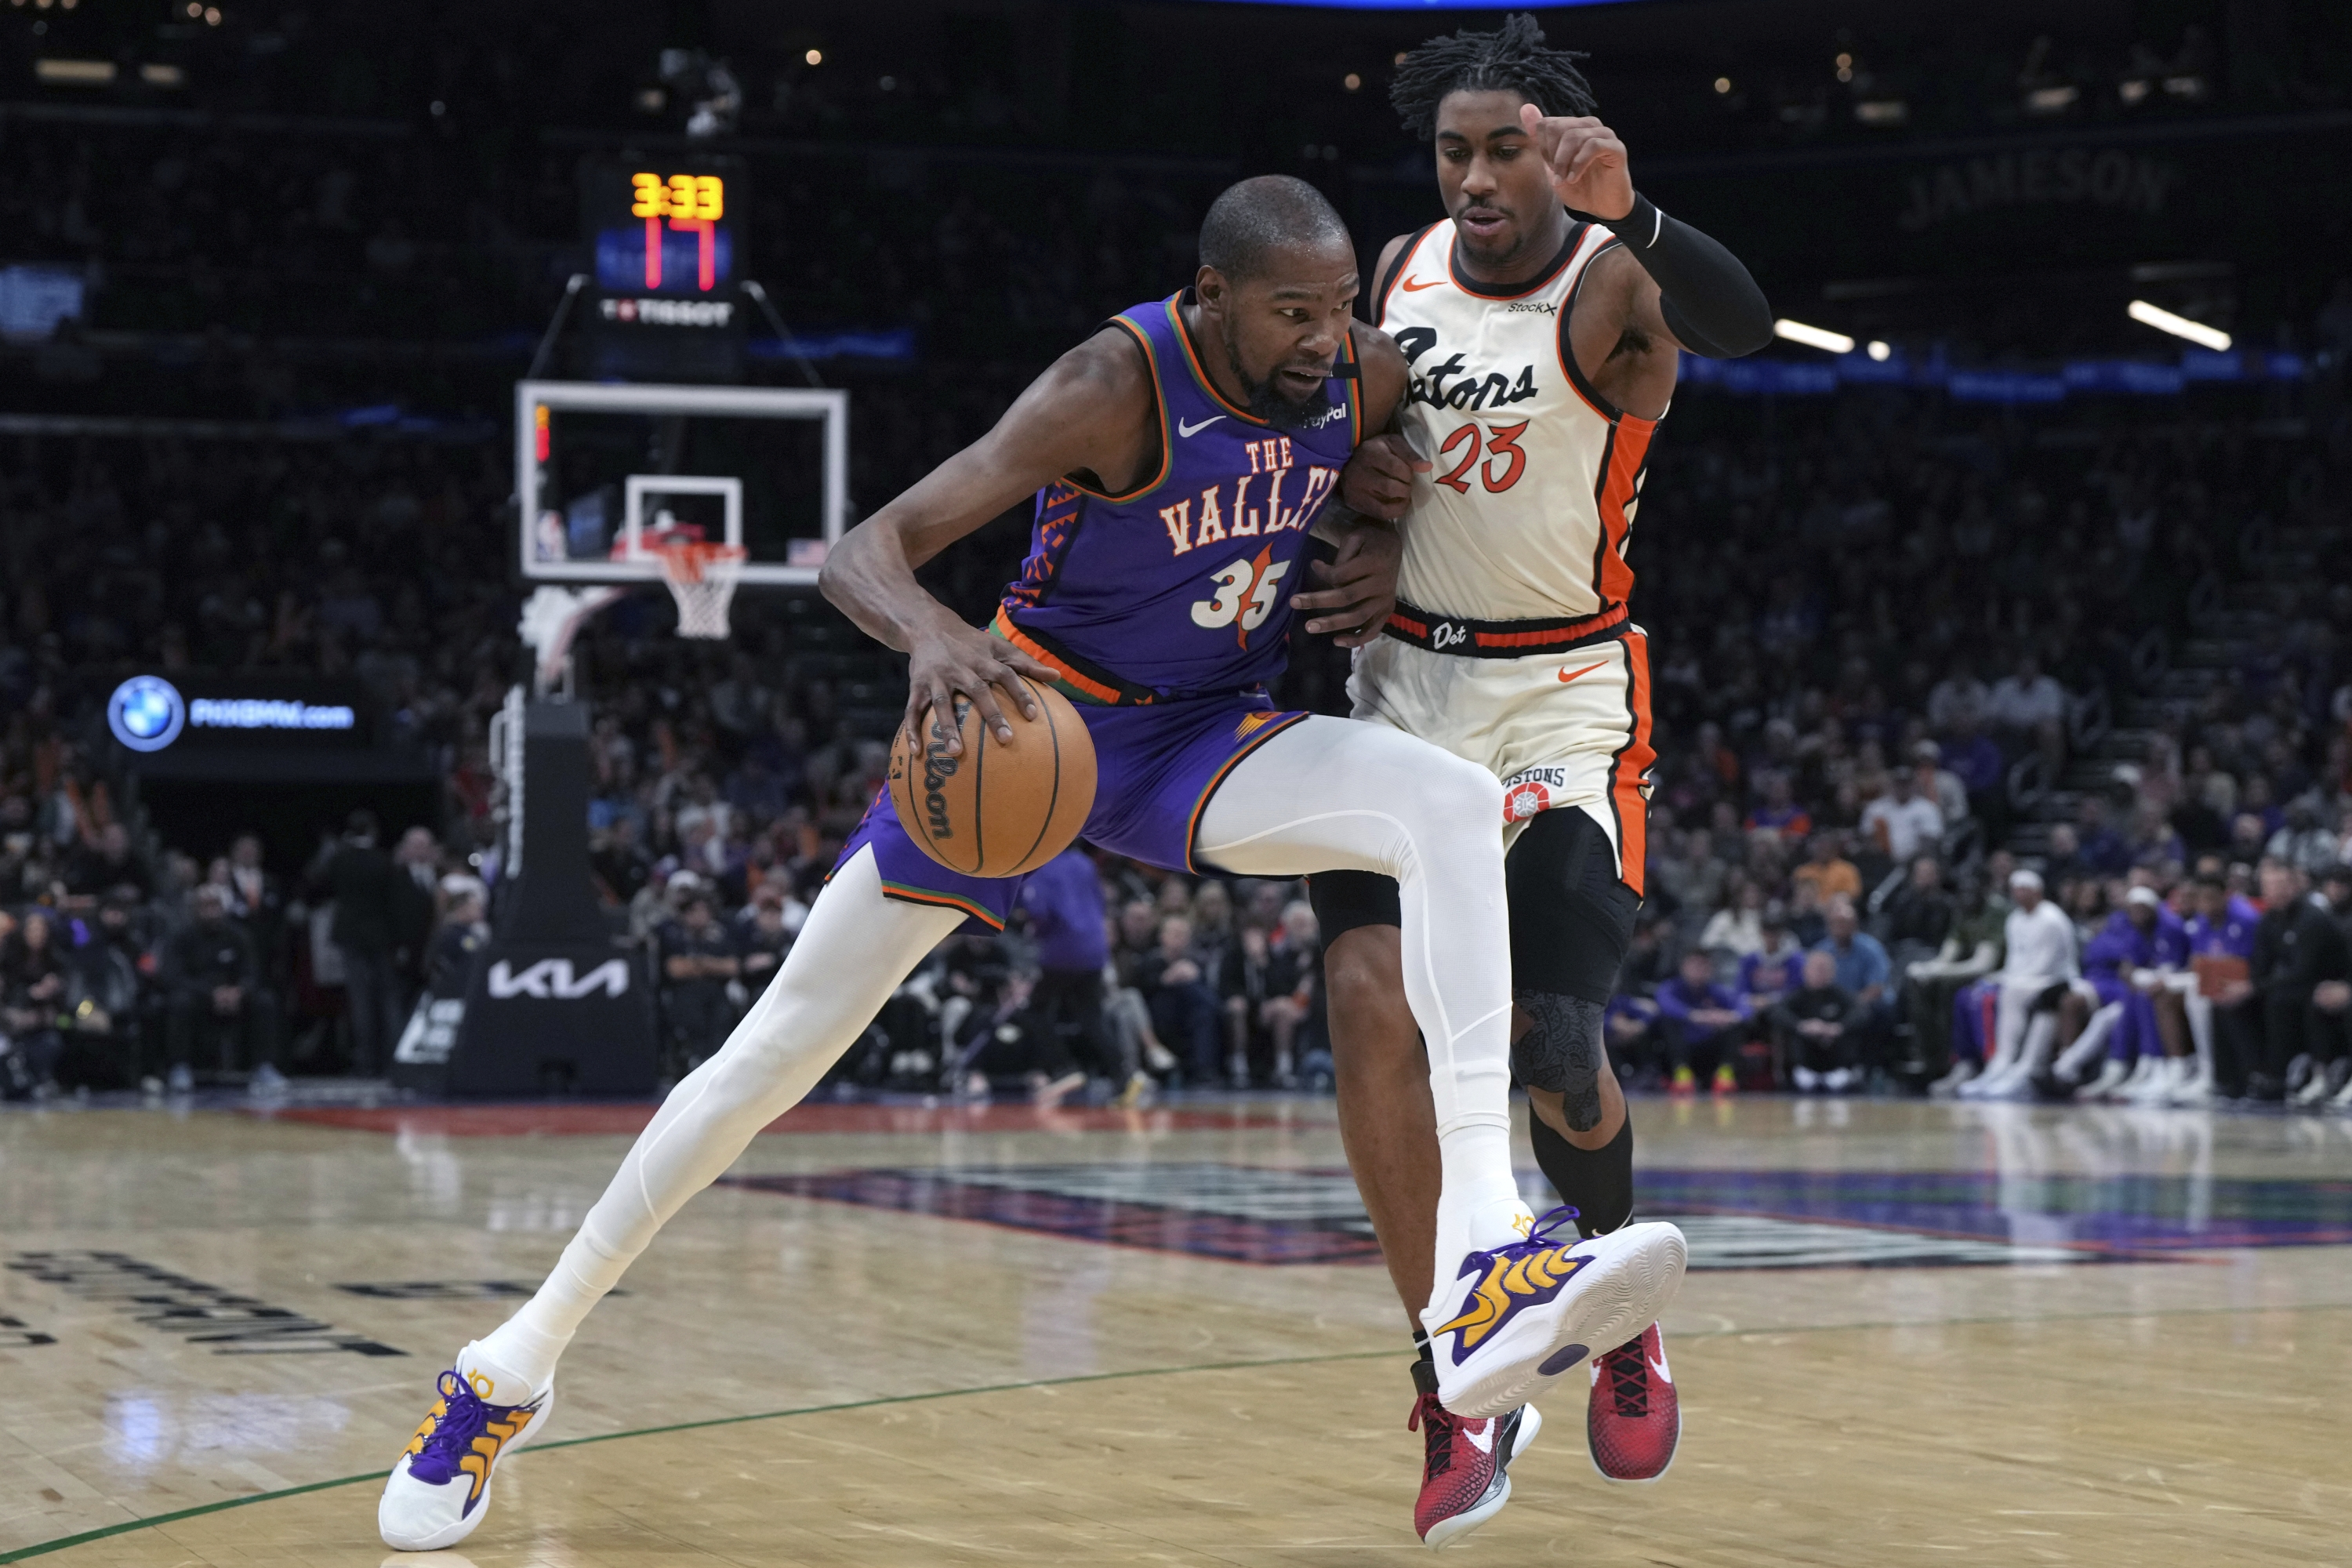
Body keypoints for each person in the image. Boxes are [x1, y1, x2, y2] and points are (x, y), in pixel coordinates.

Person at [379, 172, 1688, 1555]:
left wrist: (1370, 530)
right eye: (1291, 311)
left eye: (1341, 305)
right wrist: (937, 639)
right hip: (1026, 733)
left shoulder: (1356, 374)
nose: (1324, 335)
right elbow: (864, 551)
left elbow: (1400, 474)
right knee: (763, 1066)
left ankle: (1484, 1247)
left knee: (1440, 798)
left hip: (1194, 742)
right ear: (1212, 301)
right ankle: (505, 1372)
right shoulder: (1113, 384)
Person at [1304, 13, 1769, 1528]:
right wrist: (1355, 509)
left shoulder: (1619, 279)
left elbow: (1747, 323)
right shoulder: (1393, 271)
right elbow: (1350, 445)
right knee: (1374, 1014)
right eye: (1455, 151)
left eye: (1506, 148)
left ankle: (1623, 1312)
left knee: (1556, 1051)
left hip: (1566, 694)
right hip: (1404, 691)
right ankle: (1449, 1370)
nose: (1478, 177)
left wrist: (1635, 204)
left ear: (1560, 152)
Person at [1959, 868, 2080, 1098]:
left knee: (2013, 993)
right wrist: (2004, 977)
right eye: (2015, 890)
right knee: (1996, 991)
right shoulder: (2014, 920)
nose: (2018, 895)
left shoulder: (2051, 919)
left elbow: (2047, 964)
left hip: (2056, 979)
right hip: (2024, 980)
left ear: (2037, 892)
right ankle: (2001, 1061)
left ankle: (2025, 1067)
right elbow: (2015, 959)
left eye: (2024, 890)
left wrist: (2012, 979)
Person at [161, 884, 284, 1097]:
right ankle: (179, 1068)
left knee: (265, 1001)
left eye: (215, 905)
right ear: (195, 909)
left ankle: (264, 1067)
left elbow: (252, 972)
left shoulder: (238, 935)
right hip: (199, 998)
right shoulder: (182, 937)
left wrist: (240, 991)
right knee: (179, 1002)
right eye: (205, 906)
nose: (211, 911)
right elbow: (173, 976)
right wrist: (210, 993)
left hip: (235, 998)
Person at [310, 810, 403, 1076]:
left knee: (360, 1000)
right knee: (388, 998)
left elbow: (317, 885)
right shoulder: (384, 861)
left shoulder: (340, 860)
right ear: (373, 831)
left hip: (350, 937)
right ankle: (392, 1061)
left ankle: (365, 1063)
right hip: (380, 937)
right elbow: (394, 903)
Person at [1654, 947, 1752, 1094]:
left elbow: (1745, 1007)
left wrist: (1730, 1017)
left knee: (1736, 1026)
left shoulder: (1717, 991)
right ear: (1683, 967)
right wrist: (1695, 1016)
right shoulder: (1671, 987)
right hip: (1681, 1050)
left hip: (1709, 1050)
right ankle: (1682, 1074)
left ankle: (1725, 1074)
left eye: (1703, 965)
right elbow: (1664, 1002)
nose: (1698, 969)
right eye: (1694, 964)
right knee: (1667, 1021)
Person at [1773, 949, 1863, 1092]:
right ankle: (1796, 1073)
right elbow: (1777, 1012)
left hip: (1836, 1062)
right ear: (1806, 971)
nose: (1820, 974)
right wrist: (1802, 1026)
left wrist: (1839, 1027)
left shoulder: (1839, 994)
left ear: (1832, 973)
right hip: (1805, 1062)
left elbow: (1861, 1012)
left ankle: (1846, 1071)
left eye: (1824, 969)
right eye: (1816, 969)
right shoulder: (1798, 995)